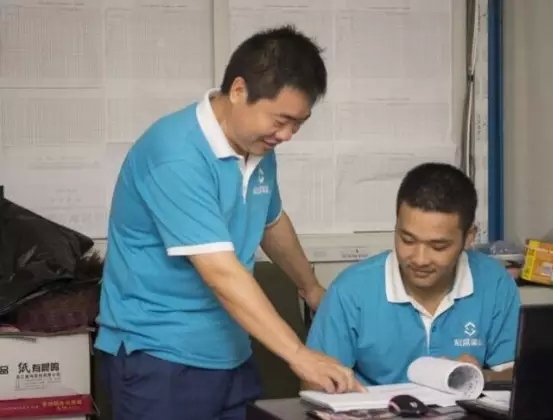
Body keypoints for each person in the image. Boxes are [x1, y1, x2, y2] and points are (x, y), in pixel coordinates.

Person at [95, 25, 363, 420]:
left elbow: (271, 222)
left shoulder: (257, 146)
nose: (287, 135)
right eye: (282, 120)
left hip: (231, 351)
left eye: (298, 124)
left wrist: (310, 288)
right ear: (239, 91)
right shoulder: (176, 154)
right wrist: (299, 355)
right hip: (159, 357)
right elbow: (220, 272)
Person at [305, 162, 521, 387]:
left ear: (469, 237)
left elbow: (517, 374)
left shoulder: (495, 283)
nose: (419, 259)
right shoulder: (351, 291)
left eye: (438, 246)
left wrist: (478, 376)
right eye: (407, 240)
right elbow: (313, 384)